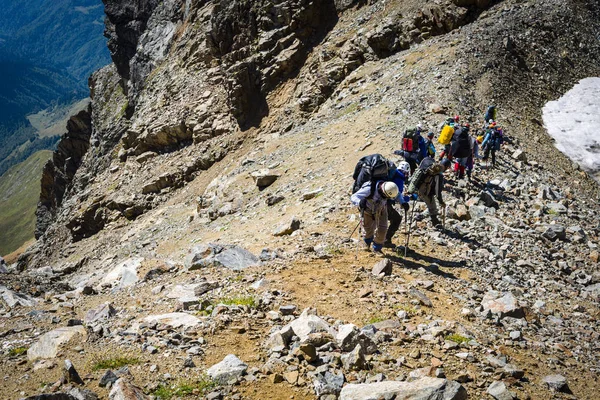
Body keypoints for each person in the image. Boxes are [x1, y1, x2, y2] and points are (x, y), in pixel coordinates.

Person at [351, 180, 399, 253]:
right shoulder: (369, 188)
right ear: (382, 191)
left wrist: (403, 202)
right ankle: (367, 243)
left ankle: (377, 248)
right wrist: (359, 202)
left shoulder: (392, 188)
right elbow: (354, 196)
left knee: (383, 229)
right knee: (368, 229)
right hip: (368, 210)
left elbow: (398, 195)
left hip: (382, 209)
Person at [412, 157, 451, 227]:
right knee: (433, 208)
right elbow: (437, 192)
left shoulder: (431, 167)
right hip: (425, 192)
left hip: (419, 188)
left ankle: (421, 216)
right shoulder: (438, 175)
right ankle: (435, 222)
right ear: (445, 167)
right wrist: (441, 202)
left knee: (431, 206)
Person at [384, 161, 411, 248]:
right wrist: (406, 200)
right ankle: (385, 240)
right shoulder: (399, 179)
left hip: (381, 200)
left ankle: (380, 238)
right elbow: (395, 195)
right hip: (385, 202)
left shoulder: (393, 174)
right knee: (397, 219)